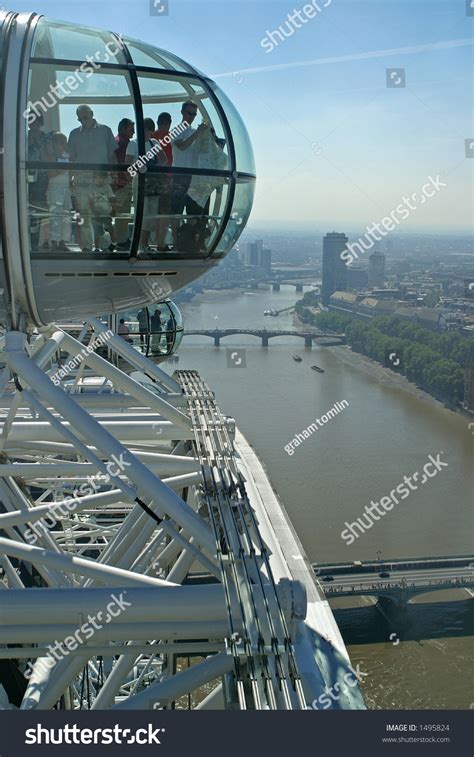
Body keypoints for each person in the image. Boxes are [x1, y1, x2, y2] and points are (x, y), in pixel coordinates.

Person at [68, 105, 117, 252]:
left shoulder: (106, 130)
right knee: (84, 215)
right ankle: (88, 248)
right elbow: (71, 159)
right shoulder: (74, 134)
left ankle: (103, 246)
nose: (83, 120)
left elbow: (112, 156)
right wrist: (71, 179)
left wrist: (113, 176)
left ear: (92, 114)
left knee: (103, 215)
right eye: (80, 118)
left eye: (85, 117)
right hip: (81, 181)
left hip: (101, 181)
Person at [170, 100, 210, 249]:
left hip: (193, 177)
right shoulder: (176, 130)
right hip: (179, 175)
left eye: (194, 114)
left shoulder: (193, 132)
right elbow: (181, 146)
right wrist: (198, 133)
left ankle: (189, 241)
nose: (191, 117)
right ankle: (175, 242)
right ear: (182, 112)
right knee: (176, 211)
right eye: (189, 113)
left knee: (193, 212)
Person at [126, 118, 167, 255]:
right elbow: (127, 164)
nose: (145, 132)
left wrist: (153, 169)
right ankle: (140, 244)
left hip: (152, 183)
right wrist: (141, 167)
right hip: (140, 182)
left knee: (150, 214)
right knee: (142, 213)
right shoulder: (133, 144)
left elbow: (163, 159)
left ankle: (144, 243)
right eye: (143, 129)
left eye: (148, 129)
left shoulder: (154, 143)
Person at [27, 112, 54, 249]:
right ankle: (26, 241)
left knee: (36, 209)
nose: (34, 124)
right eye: (32, 121)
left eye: (37, 122)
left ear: (41, 123)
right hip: (23, 176)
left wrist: (39, 145)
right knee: (25, 207)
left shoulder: (46, 137)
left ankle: (36, 243)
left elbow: (50, 156)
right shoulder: (22, 136)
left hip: (41, 177)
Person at [46, 132, 71, 251]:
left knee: (66, 217)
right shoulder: (51, 157)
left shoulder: (67, 156)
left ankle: (63, 241)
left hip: (66, 189)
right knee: (55, 217)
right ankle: (54, 242)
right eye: (62, 142)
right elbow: (50, 174)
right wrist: (64, 169)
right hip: (55, 189)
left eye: (65, 142)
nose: (64, 145)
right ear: (54, 143)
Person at [152, 112, 173, 249]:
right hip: (166, 179)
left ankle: (144, 243)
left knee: (151, 211)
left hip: (150, 180)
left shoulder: (151, 137)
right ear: (169, 123)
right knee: (164, 213)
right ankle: (160, 243)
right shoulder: (170, 137)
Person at [113, 118, 135, 250]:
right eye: (131, 129)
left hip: (117, 183)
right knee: (123, 213)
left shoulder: (116, 142)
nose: (133, 132)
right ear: (123, 129)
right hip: (123, 183)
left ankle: (121, 239)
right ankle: (122, 241)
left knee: (120, 214)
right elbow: (126, 164)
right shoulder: (124, 144)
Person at [89, 172, 117, 252]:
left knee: (110, 228)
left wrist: (114, 210)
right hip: (96, 215)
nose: (100, 180)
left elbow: (112, 199)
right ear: (95, 178)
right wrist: (93, 211)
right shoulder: (91, 187)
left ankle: (114, 243)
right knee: (96, 231)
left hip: (106, 213)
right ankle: (97, 247)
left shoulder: (107, 187)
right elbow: (90, 201)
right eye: (99, 178)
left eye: (103, 179)